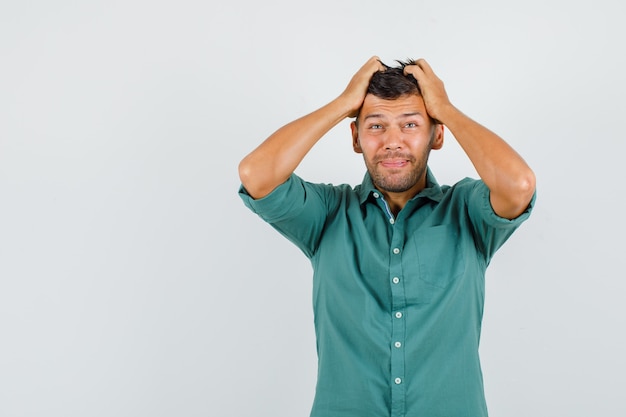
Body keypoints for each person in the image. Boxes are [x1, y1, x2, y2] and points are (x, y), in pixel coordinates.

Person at [238, 56, 536, 417]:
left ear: (436, 134)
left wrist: (446, 109)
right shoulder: (328, 213)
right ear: (356, 137)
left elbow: (519, 185)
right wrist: (342, 104)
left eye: (410, 124)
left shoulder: (467, 210)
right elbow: (256, 174)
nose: (392, 142)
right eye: (376, 126)